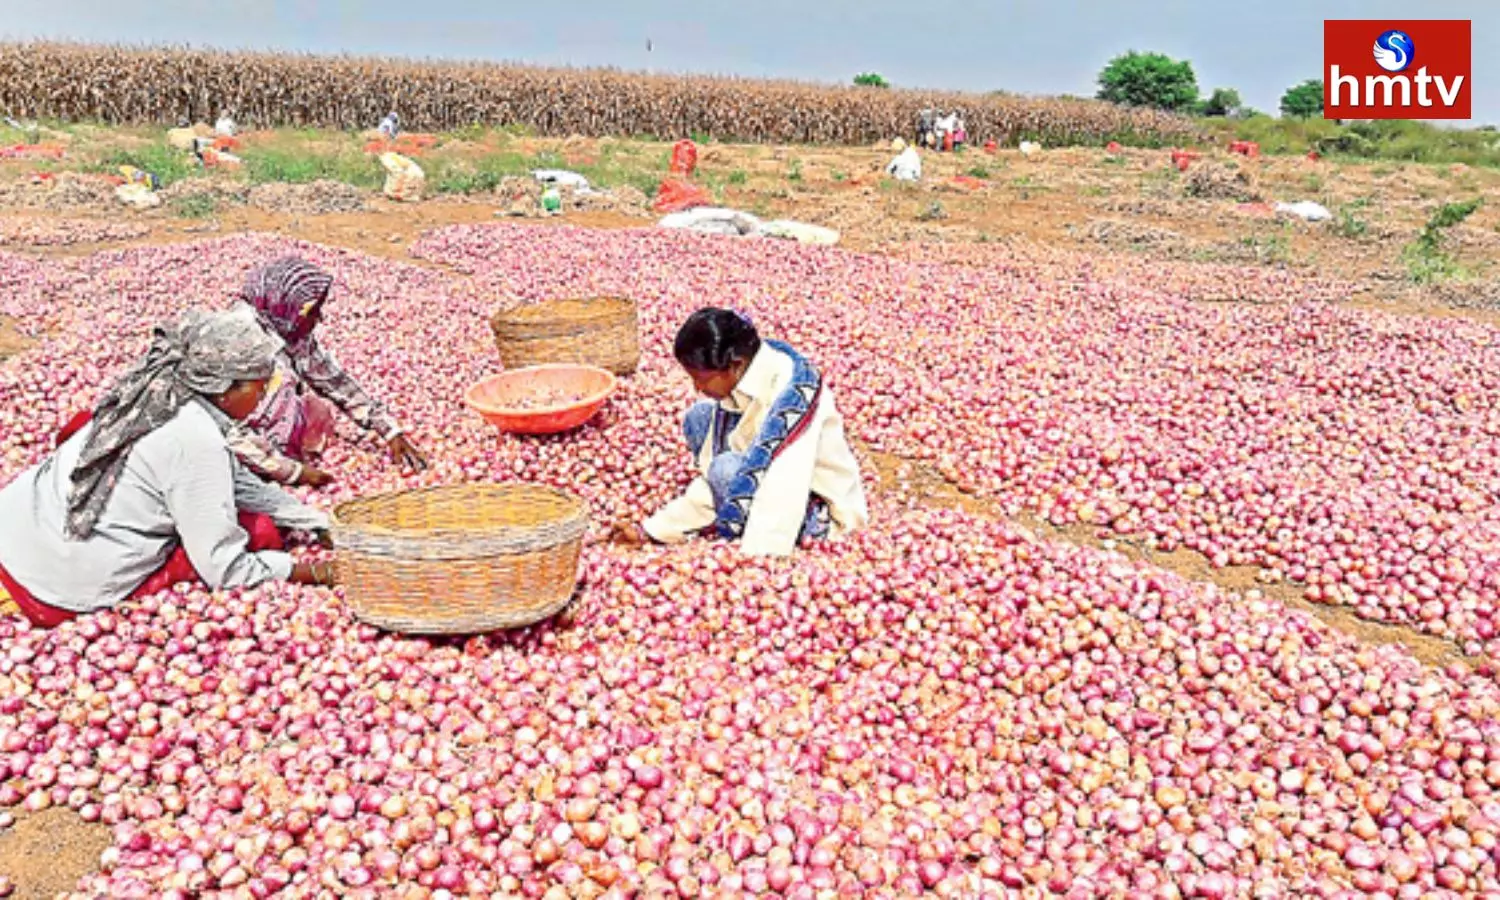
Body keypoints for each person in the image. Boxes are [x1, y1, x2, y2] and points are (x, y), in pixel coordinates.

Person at [0, 308, 336, 629]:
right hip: (53, 589)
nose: (264, 396)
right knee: (259, 532)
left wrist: (316, 521)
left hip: (15, 531)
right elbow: (226, 570)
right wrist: (313, 571)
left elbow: (237, 480)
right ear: (224, 389)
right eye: (258, 386)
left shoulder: (157, 392)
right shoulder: (193, 440)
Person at [614, 308, 868, 557]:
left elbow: (784, 486)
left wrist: (759, 558)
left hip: (817, 505)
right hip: (772, 480)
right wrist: (652, 531)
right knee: (700, 417)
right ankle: (734, 515)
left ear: (735, 365)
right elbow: (709, 472)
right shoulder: (746, 374)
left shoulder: (791, 396)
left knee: (725, 469)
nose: (697, 388)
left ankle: (781, 530)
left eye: (702, 379)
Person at [227, 256, 427, 487]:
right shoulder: (237, 342)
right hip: (231, 449)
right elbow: (226, 429)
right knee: (282, 385)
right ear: (284, 304)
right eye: (312, 312)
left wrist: (389, 430)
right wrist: (290, 472)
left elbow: (333, 381)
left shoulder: (287, 326)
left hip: (260, 438)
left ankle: (279, 453)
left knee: (313, 408)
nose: (319, 319)